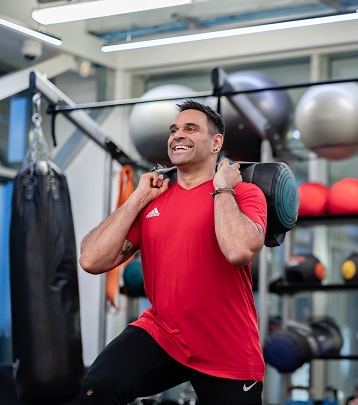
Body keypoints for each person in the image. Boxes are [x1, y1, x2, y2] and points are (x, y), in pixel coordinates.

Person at [78, 99, 267, 405]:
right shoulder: (153, 201)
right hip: (163, 333)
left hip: (225, 345)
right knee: (98, 386)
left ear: (216, 142)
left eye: (191, 129)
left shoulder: (244, 193)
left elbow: (238, 250)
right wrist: (137, 198)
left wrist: (223, 188)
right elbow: (91, 260)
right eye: (174, 130)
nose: (178, 135)